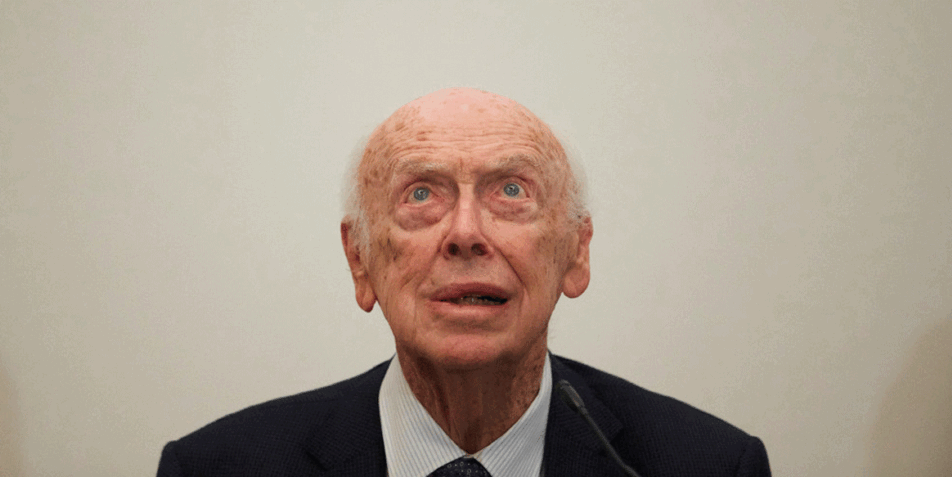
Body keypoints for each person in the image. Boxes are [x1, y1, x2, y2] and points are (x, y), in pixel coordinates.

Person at [156, 88, 771, 476]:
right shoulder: (213, 468)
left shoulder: (712, 465)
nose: (466, 233)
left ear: (576, 252)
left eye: (512, 191)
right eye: (421, 195)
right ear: (359, 259)